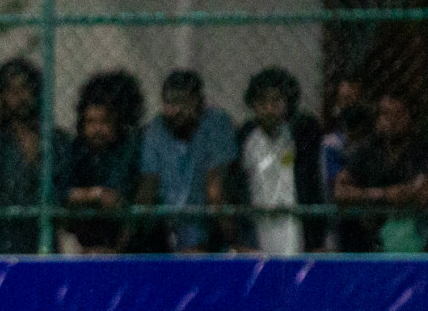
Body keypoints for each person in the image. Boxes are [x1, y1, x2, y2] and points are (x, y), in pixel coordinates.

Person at [0, 57, 70, 254]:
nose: (19, 97)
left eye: (24, 89)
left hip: (37, 236)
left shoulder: (54, 138)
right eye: (11, 91)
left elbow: (59, 185)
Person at [136, 70, 238, 252]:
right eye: (169, 103)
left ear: (199, 102)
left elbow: (215, 191)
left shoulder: (216, 123)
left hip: (210, 222)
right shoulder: (155, 129)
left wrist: (234, 243)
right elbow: (148, 188)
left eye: (183, 102)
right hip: (169, 224)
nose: (176, 110)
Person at [231, 67, 324, 254]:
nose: (269, 108)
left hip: (292, 222)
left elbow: (312, 185)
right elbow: (239, 187)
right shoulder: (247, 139)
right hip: (260, 222)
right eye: (262, 102)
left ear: (287, 103)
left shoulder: (298, 135)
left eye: (276, 101)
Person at [334, 92, 428, 252]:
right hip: (368, 237)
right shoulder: (368, 149)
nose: (390, 121)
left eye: (397, 115)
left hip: (411, 238)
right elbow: (340, 191)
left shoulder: (421, 150)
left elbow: (420, 194)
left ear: (410, 117)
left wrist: (362, 196)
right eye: (385, 115)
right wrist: (379, 194)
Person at [63, 70, 144, 253]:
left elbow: (121, 197)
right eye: (91, 122)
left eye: (105, 122)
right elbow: (59, 193)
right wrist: (93, 194)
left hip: (122, 242)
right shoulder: (75, 150)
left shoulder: (128, 151)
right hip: (81, 243)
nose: (97, 129)